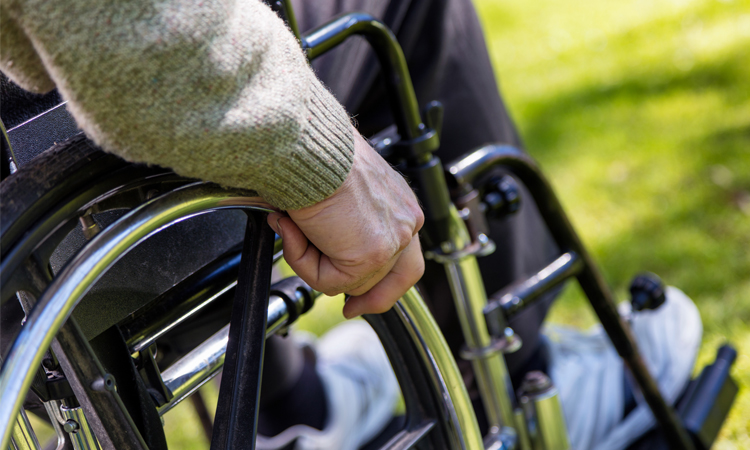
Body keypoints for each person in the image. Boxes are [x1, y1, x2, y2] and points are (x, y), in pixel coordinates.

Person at [0, 1, 702, 449]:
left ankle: (293, 411)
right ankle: (517, 382)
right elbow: (129, 36)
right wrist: (317, 153)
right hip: (69, 161)